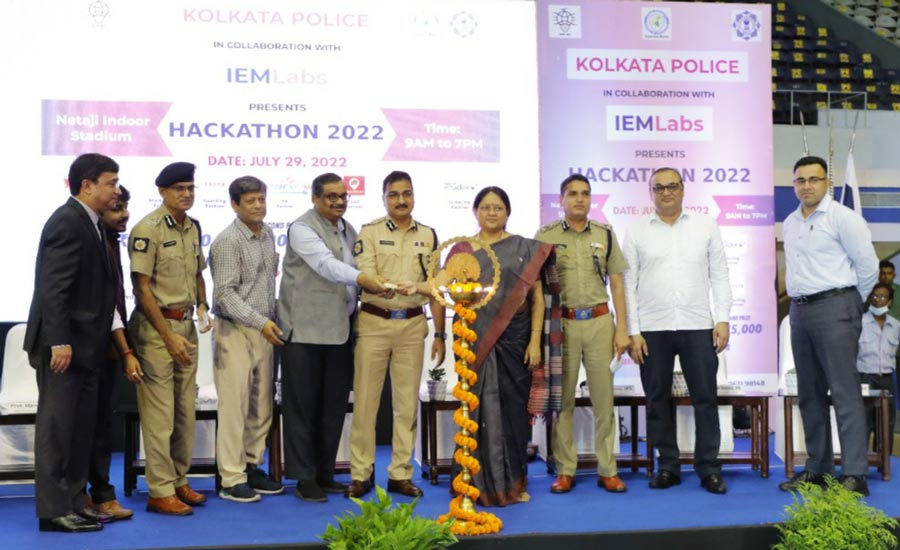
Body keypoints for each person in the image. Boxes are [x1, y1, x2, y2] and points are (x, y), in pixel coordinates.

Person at [278, 172, 388, 503]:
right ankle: (303, 478)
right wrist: (365, 279)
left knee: (332, 407)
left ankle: (325, 473)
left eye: (342, 196)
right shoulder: (302, 228)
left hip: (340, 331)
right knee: (302, 407)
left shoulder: (348, 229)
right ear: (315, 198)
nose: (338, 201)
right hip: (305, 333)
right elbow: (326, 266)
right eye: (330, 196)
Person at [25, 153, 121, 532]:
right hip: (63, 349)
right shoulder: (67, 221)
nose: (116, 191)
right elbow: (54, 289)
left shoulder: (93, 224)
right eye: (111, 183)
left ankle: (74, 501)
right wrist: (59, 340)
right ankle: (53, 511)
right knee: (58, 430)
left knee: (80, 431)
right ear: (87, 185)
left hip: (88, 349)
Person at [624, 167, 732, 495]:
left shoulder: (705, 225)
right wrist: (633, 330)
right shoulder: (637, 230)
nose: (666, 192)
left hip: (698, 325)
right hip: (652, 329)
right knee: (657, 400)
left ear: (683, 189)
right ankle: (667, 466)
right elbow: (628, 284)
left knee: (705, 399)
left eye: (672, 186)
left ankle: (709, 468)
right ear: (651, 192)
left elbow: (720, 274)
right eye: (659, 188)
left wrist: (723, 319)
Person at [447, 186, 556, 507]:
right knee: (475, 407)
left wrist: (535, 340)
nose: (491, 213)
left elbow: (537, 298)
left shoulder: (523, 248)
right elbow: (449, 292)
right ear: (475, 212)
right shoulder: (462, 251)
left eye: (498, 208)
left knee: (513, 412)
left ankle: (514, 481)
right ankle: (473, 481)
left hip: (517, 339)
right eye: (485, 207)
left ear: (507, 212)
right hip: (474, 339)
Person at [779, 155, 878, 497]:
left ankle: (854, 473)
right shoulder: (790, 222)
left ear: (827, 183)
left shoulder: (843, 218)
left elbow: (867, 267)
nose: (806, 186)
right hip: (800, 311)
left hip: (837, 306)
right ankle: (818, 469)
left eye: (813, 179)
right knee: (809, 393)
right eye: (800, 180)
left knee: (844, 391)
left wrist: (850, 303)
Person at [346, 171, 446, 499]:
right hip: (374, 323)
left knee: (406, 405)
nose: (401, 200)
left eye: (406, 193)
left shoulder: (429, 235)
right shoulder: (370, 232)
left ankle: (400, 474)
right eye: (393, 195)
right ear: (384, 198)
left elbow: (436, 286)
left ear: (414, 195)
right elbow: (367, 275)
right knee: (365, 403)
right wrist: (389, 285)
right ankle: (360, 474)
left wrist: (441, 333)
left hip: (413, 325)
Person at [536, 174, 630, 494]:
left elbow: (616, 283)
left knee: (604, 399)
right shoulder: (545, 236)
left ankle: (608, 469)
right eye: (572, 194)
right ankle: (565, 469)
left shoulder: (605, 234)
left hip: (601, 323)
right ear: (561, 200)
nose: (579, 199)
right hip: (562, 325)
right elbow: (536, 287)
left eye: (585, 194)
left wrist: (623, 330)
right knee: (562, 401)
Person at [128, 161, 211, 515]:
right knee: (160, 414)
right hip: (155, 330)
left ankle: (179, 480)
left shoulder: (193, 227)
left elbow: (197, 274)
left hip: (186, 326)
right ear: (162, 191)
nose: (186, 194)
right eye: (179, 188)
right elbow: (141, 288)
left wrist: (203, 305)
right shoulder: (148, 229)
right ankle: (159, 490)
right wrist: (168, 335)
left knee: (183, 412)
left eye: (190, 188)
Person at [209, 176, 285, 503]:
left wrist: (271, 319)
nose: (258, 206)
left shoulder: (267, 234)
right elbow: (225, 295)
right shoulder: (227, 241)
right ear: (235, 205)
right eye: (251, 201)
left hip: (264, 329)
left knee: (261, 406)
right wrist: (260, 321)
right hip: (234, 329)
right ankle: (230, 476)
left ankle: (252, 466)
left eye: (261, 199)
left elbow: (267, 284)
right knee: (235, 406)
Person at [83, 185, 141, 522]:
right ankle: (85, 495)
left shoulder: (111, 243)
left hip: (105, 350)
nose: (124, 215)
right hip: (84, 350)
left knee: (101, 426)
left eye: (126, 207)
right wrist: (127, 350)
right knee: (84, 428)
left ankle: (102, 494)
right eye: (117, 208)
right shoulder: (89, 240)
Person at [857, 283, 899, 454]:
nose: (877, 301)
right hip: (865, 378)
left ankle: (884, 462)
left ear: (889, 302)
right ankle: (860, 464)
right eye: (874, 296)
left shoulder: (896, 326)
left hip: (887, 378)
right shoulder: (860, 322)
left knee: (887, 422)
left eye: (882, 297)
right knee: (864, 422)